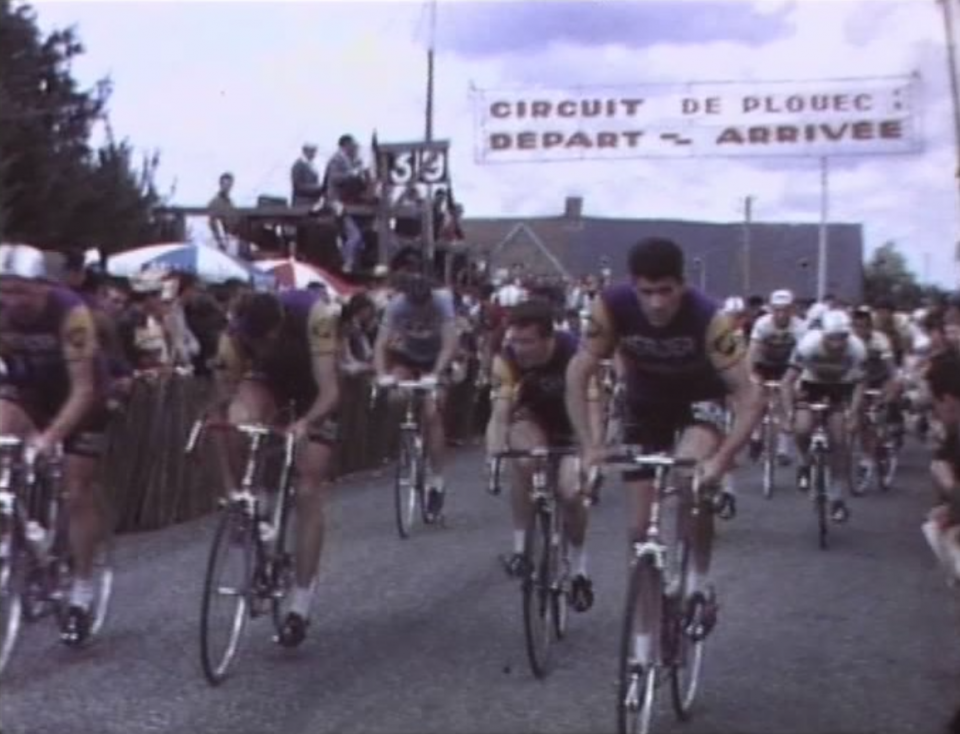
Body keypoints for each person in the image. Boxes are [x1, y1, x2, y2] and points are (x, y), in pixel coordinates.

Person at [566, 237, 763, 669]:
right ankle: (643, 646)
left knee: (688, 478)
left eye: (665, 291)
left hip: (700, 399)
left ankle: (697, 582)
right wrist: (590, 447)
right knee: (639, 531)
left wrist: (721, 460)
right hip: (646, 404)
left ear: (682, 285)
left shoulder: (711, 318)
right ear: (632, 286)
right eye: (646, 292)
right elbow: (578, 373)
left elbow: (750, 397)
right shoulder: (611, 304)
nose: (655, 304)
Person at [212, 288, 341, 647]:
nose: (263, 348)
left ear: (279, 327)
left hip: (313, 390)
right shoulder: (234, 334)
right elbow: (221, 405)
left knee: (308, 487)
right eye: (257, 343)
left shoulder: (315, 316)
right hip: (269, 385)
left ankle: (300, 603)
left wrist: (306, 423)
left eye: (266, 341)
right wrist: (232, 488)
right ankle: (256, 500)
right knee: (237, 421)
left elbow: (330, 391)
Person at [0, 244, 111, 643]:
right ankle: (16, 529)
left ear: (43, 288)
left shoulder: (71, 314)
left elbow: (83, 390)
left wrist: (50, 438)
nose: (12, 300)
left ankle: (81, 590)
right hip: (31, 392)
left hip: (84, 399)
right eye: (5, 290)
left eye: (21, 291)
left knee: (76, 486)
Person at [486, 299, 596, 611]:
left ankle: (579, 568)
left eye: (528, 341)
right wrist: (494, 453)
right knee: (523, 457)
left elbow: (592, 409)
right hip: (533, 418)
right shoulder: (507, 360)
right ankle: (522, 549)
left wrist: (591, 452)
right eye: (515, 340)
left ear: (548, 338)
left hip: (573, 424)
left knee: (570, 492)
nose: (520, 348)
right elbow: (500, 414)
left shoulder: (576, 353)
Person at [780, 309, 866, 523]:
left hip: (840, 388)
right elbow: (786, 382)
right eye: (832, 339)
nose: (838, 344)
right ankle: (803, 460)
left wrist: (854, 413)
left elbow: (860, 384)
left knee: (839, 441)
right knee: (802, 429)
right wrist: (788, 413)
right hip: (810, 386)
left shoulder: (857, 349)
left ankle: (837, 496)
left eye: (843, 338)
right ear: (823, 335)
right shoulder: (807, 346)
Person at [748, 289, 806, 463]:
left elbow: (803, 356)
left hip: (787, 364)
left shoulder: (800, 326)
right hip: (764, 362)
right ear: (771, 309)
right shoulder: (762, 323)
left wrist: (799, 380)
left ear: (792, 309)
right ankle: (756, 434)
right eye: (777, 309)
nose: (781, 314)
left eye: (785, 309)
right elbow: (752, 351)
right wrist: (750, 374)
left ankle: (783, 446)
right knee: (757, 395)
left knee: (784, 396)